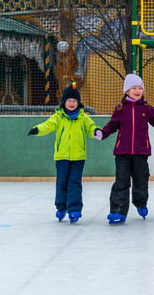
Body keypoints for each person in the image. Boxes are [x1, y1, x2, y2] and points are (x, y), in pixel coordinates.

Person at [98, 74, 154, 225]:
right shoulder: (120, 109)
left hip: (141, 151)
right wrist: (103, 133)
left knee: (141, 180)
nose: (138, 91)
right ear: (127, 91)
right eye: (134, 88)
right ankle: (118, 210)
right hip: (122, 152)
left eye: (140, 88)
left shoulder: (147, 108)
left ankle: (140, 203)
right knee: (121, 182)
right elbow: (112, 125)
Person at [28, 82, 101, 224]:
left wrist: (96, 132)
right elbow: (47, 125)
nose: (72, 103)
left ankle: (74, 209)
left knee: (74, 183)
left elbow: (91, 128)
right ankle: (61, 207)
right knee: (62, 182)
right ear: (64, 102)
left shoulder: (83, 117)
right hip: (61, 157)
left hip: (78, 156)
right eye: (69, 100)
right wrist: (37, 129)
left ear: (78, 103)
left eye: (75, 100)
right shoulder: (58, 117)